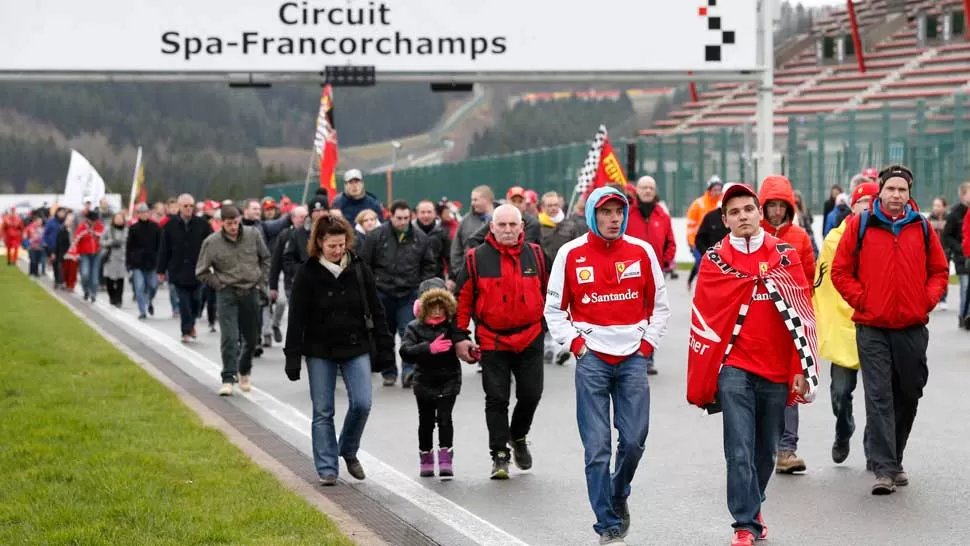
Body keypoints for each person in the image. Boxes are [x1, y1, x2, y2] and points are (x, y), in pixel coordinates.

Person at [687, 183, 819, 546]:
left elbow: (802, 315)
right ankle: (744, 523)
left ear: (759, 213)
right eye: (735, 212)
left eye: (748, 209)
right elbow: (705, 320)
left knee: (765, 452)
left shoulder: (786, 255)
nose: (743, 216)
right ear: (725, 219)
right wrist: (707, 372)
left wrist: (799, 368)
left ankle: (754, 502)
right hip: (734, 368)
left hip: (776, 369)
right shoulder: (715, 261)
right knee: (739, 448)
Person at [544, 186, 670, 546]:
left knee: (633, 440)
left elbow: (660, 306)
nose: (614, 218)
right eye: (606, 212)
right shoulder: (570, 254)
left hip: (633, 359)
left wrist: (646, 346)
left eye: (619, 212)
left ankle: (618, 492)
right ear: (592, 215)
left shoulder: (642, 251)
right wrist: (579, 346)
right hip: (592, 360)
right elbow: (554, 310)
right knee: (597, 447)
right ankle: (607, 525)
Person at [831, 164, 949, 495]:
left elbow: (939, 270)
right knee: (879, 394)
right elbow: (840, 272)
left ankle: (893, 455)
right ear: (880, 192)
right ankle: (884, 468)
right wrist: (863, 299)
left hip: (911, 326)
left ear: (909, 194)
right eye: (890, 189)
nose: (896, 195)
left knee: (909, 392)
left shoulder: (922, 226)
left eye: (902, 190)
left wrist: (924, 301)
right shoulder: (861, 225)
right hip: (872, 327)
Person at [284, 214, 396, 485]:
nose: (337, 251)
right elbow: (296, 317)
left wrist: (385, 350)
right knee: (323, 410)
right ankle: (327, 467)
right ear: (319, 243)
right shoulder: (308, 272)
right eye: (331, 245)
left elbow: (377, 311)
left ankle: (347, 448)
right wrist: (293, 356)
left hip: (355, 345)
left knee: (362, 403)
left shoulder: (359, 269)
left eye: (341, 245)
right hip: (319, 349)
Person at [454, 204, 548, 480]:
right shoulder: (475, 259)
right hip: (492, 339)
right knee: (496, 399)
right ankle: (499, 454)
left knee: (531, 394)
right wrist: (460, 336)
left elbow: (555, 293)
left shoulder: (538, 257)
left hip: (530, 336)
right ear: (492, 227)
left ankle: (517, 436)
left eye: (513, 225)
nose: (508, 230)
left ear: (522, 227)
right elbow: (462, 300)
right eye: (502, 225)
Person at [813, 182, 878, 466]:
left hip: (876, 325)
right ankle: (844, 427)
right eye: (862, 201)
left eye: (872, 201)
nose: (867, 206)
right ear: (853, 206)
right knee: (840, 391)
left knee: (879, 395)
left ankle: (874, 447)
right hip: (843, 325)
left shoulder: (885, 238)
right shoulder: (833, 241)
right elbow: (823, 285)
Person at [757, 175, 816, 475]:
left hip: (790, 325)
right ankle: (763, 445)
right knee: (760, 388)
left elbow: (808, 281)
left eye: (782, 206)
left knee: (792, 384)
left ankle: (787, 449)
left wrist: (803, 317)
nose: (777, 212)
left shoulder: (801, 238)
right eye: (772, 205)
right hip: (758, 325)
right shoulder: (751, 236)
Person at [196, 205, 271, 396]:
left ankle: (243, 370)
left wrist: (260, 282)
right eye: (229, 223)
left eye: (236, 223)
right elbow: (201, 271)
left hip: (250, 290)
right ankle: (228, 378)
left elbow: (265, 259)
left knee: (252, 337)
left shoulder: (252, 234)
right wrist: (218, 284)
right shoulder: (211, 242)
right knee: (229, 337)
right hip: (227, 292)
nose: (233, 227)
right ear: (222, 222)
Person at [360, 199, 437, 387]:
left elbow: (429, 265)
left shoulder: (420, 238)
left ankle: (409, 371)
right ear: (390, 217)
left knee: (408, 332)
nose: (403, 222)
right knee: (385, 334)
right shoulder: (376, 236)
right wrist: (370, 289)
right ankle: (389, 371)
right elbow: (364, 264)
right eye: (399, 218)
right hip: (382, 292)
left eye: (406, 218)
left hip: (409, 293)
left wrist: (422, 288)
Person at [399, 278, 463, 480]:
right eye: (432, 307)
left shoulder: (452, 327)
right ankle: (426, 457)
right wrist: (428, 348)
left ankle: (445, 458)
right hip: (424, 381)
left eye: (440, 307)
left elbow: (462, 344)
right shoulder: (414, 328)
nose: (437, 312)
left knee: (444, 419)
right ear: (423, 307)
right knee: (426, 422)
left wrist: (472, 352)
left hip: (449, 379)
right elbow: (405, 352)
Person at [157, 193, 213, 343]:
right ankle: (185, 330)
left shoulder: (202, 224)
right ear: (179, 207)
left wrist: (212, 265)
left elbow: (211, 246)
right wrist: (161, 270)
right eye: (185, 206)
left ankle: (191, 324)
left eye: (191, 206)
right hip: (178, 270)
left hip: (198, 270)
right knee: (183, 302)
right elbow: (164, 249)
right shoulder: (170, 225)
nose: (188, 209)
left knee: (196, 301)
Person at [685, 176, 724, 289]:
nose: (717, 192)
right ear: (709, 190)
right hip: (698, 240)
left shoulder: (722, 203)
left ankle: (694, 281)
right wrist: (692, 242)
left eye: (719, 190)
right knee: (700, 261)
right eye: (714, 190)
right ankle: (700, 285)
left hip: (713, 240)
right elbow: (690, 226)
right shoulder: (698, 204)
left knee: (707, 262)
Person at [126, 203, 162, 319]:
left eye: (145, 212)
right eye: (141, 213)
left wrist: (160, 261)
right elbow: (129, 247)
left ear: (149, 213)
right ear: (138, 214)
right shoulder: (133, 228)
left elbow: (160, 246)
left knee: (153, 285)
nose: (144, 215)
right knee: (139, 286)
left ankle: (149, 300)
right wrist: (129, 263)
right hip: (138, 262)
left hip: (152, 262)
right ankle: (142, 310)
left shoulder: (156, 227)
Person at [943, 182, 970, 328]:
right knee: (965, 286)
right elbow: (947, 235)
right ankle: (963, 314)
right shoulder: (955, 214)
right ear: (963, 194)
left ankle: (967, 315)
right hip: (961, 256)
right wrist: (958, 248)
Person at [100, 212, 128, 308]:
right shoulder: (108, 229)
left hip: (122, 258)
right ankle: (112, 297)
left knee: (120, 279)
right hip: (111, 257)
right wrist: (110, 242)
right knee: (110, 280)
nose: (119, 220)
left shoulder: (126, 230)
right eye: (117, 218)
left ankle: (119, 299)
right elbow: (101, 241)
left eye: (121, 218)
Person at [928, 196, 948, 311]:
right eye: (934, 205)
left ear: (944, 207)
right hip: (933, 251)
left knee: (943, 274)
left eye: (938, 205)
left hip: (946, 250)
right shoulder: (930, 219)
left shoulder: (948, 218)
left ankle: (943, 298)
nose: (935, 208)